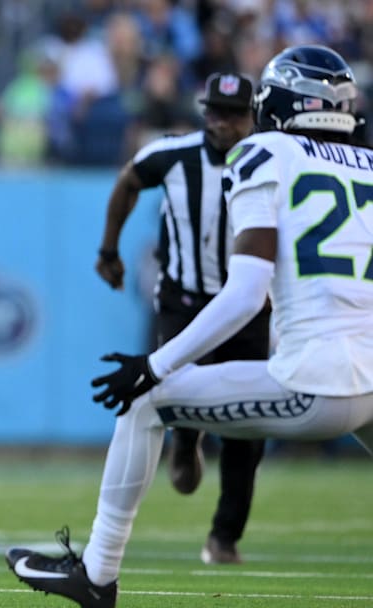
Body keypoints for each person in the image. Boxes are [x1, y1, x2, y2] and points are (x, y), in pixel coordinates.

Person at [7, 45, 373, 608]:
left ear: (276, 104)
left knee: (143, 402)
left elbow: (246, 294)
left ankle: (97, 575)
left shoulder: (264, 153)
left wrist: (155, 366)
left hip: (318, 381)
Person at [93, 71, 267, 565]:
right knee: (172, 392)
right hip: (185, 301)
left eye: (234, 114)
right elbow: (128, 181)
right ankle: (186, 437)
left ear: (252, 115)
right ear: (203, 111)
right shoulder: (174, 154)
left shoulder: (271, 158)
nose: (223, 123)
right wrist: (108, 250)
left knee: (249, 424)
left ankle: (224, 536)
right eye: (216, 112)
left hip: (249, 304)